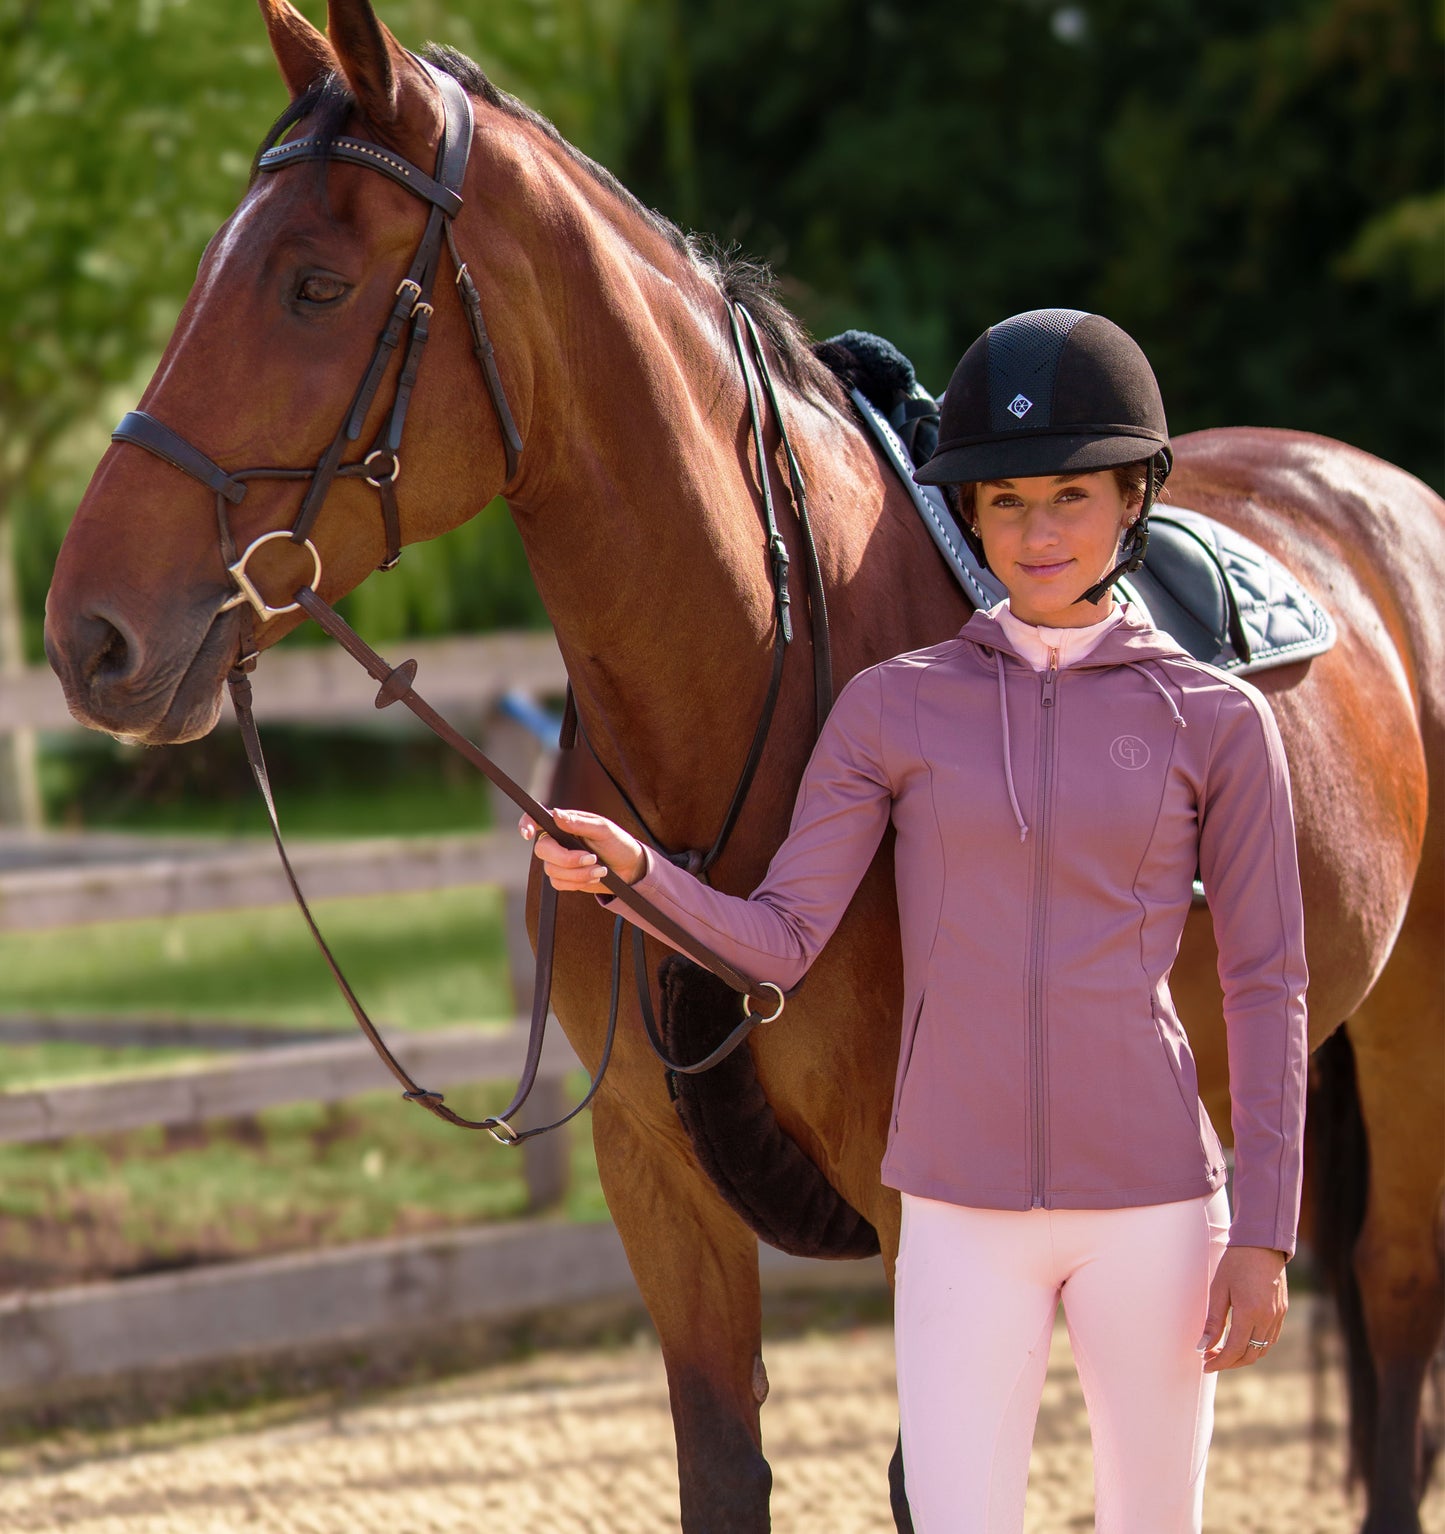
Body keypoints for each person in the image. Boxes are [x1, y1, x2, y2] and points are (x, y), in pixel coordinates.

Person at [519, 308, 1309, 1534]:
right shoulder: (894, 708)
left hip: (1156, 1204)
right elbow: (780, 936)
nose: (1037, 533)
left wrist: (1260, 1229)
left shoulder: (1214, 721)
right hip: (953, 1215)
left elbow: (1266, 984)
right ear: (971, 514)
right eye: (1003, 502)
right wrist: (633, 877)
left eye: (1071, 497)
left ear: (1131, 500)